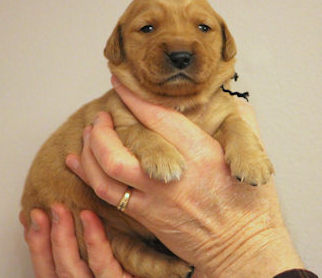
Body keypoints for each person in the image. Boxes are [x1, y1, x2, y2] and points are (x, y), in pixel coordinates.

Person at [19, 76, 318, 278]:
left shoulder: (227, 105)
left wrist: (244, 246)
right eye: (147, 28)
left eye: (203, 28)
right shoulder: (117, 111)